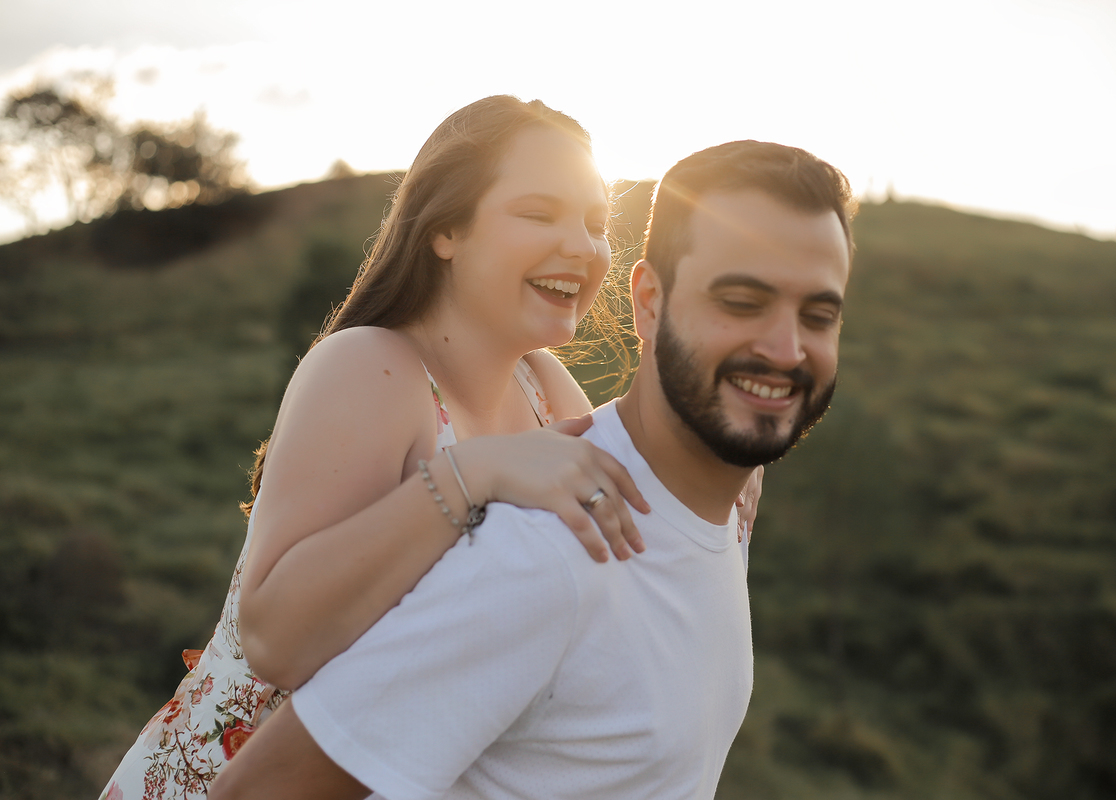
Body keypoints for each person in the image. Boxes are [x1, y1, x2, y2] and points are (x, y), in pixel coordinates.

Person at [100, 96, 766, 800]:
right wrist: (472, 474)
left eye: (596, 224)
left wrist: (703, 453)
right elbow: (274, 640)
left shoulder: (545, 388)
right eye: (540, 214)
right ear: (446, 228)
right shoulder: (370, 369)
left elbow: (611, 543)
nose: (583, 245)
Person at [208, 139, 855, 800]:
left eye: (818, 315)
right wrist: (466, 474)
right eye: (742, 302)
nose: (785, 349)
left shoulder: (561, 410)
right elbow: (267, 685)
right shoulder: (542, 546)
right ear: (650, 302)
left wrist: (730, 448)